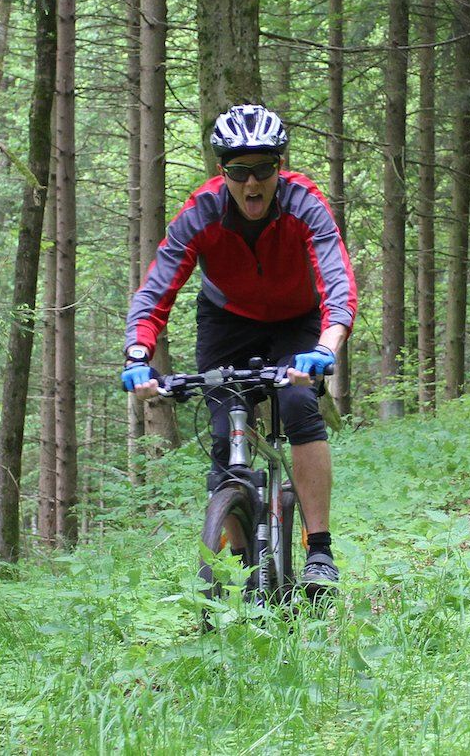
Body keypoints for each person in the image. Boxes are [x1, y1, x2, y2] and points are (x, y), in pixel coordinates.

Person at [120, 104, 357, 591]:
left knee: (298, 403)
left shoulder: (304, 203)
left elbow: (338, 283)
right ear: (222, 170)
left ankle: (319, 549)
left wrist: (326, 347)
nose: (252, 183)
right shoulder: (201, 212)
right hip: (226, 321)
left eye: (264, 169)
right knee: (223, 432)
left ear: (279, 167)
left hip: (297, 321)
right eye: (239, 170)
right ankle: (248, 562)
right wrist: (138, 355)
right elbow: (156, 291)